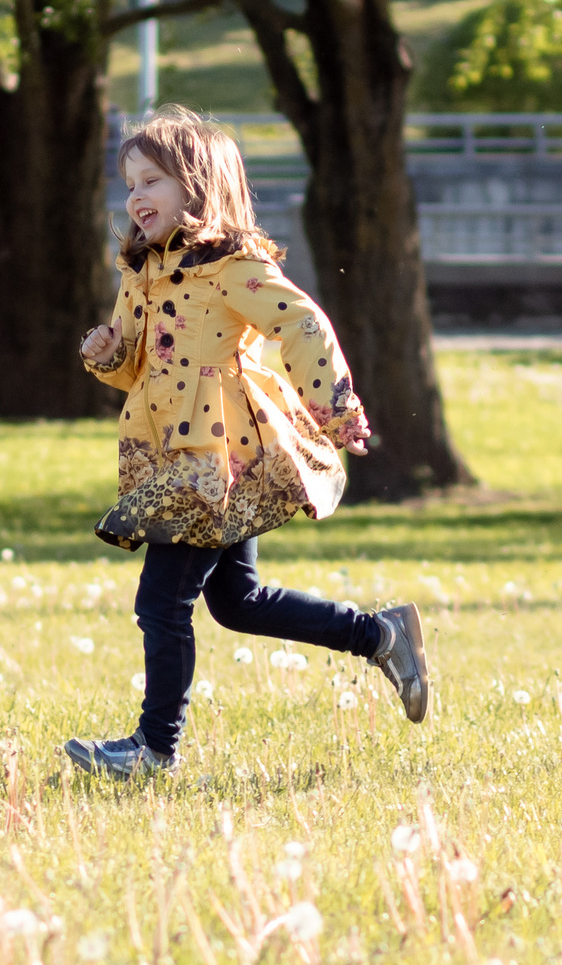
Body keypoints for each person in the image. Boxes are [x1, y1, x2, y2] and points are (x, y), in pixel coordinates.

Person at [65, 105, 429, 778]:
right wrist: (106, 352)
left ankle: (153, 749)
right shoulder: (140, 268)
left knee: (162, 599)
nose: (136, 196)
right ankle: (381, 634)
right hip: (176, 455)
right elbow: (137, 367)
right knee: (237, 602)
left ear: (198, 185)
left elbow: (304, 324)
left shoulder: (230, 265)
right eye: (130, 184)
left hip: (218, 462)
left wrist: (334, 402)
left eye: (152, 181)